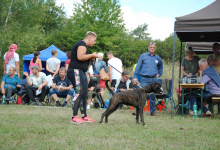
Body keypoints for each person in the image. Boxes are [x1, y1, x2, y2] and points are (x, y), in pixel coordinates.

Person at [67, 31, 99, 123]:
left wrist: (91, 58)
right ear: (89, 38)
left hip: (82, 71)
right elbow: (80, 57)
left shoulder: (85, 47)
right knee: (79, 92)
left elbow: (84, 62)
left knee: (84, 93)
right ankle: (74, 117)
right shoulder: (81, 44)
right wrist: (92, 55)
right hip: (75, 70)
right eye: (94, 40)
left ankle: (84, 116)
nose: (95, 42)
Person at [133, 42, 163, 116]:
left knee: (153, 96)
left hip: (154, 79)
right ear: (148, 48)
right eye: (151, 47)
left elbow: (161, 66)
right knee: (141, 95)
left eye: (153, 47)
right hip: (144, 79)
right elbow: (138, 67)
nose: (152, 48)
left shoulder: (158, 58)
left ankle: (153, 112)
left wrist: (159, 73)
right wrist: (134, 77)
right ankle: (138, 110)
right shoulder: (143, 56)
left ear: (155, 48)